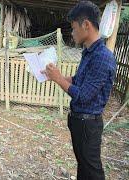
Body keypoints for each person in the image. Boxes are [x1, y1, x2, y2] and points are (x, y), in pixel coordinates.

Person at [42, 1, 116, 180]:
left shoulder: (102, 57)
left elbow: (84, 96)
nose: (72, 33)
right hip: (79, 121)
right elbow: (79, 81)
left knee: (92, 171)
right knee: (84, 167)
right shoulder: (89, 52)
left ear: (86, 25)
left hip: (88, 125)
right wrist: (56, 77)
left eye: (74, 28)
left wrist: (59, 79)